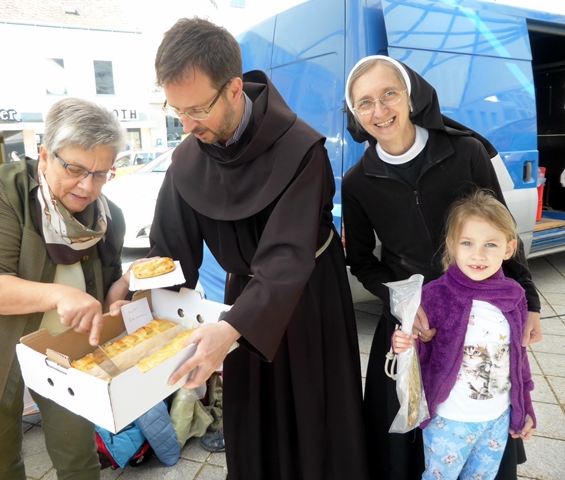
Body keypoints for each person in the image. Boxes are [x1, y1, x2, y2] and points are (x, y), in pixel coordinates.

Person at [148, 17, 369, 480]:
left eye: (196, 110)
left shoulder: (301, 148)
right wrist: (136, 306)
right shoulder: (187, 159)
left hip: (308, 300)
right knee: (253, 427)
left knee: (314, 421)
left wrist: (230, 329)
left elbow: (288, 255)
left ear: (233, 89)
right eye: (176, 112)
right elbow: (168, 255)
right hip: (241, 306)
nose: (187, 126)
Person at [341, 55, 542, 480]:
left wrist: (531, 302)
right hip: (413, 320)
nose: (379, 111)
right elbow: (361, 260)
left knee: (482, 421)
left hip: (480, 312)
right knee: (404, 444)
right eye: (365, 103)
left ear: (410, 96)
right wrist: (404, 302)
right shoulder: (358, 181)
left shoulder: (463, 152)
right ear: (355, 114)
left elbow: (504, 233)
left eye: (388, 94)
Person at [0, 97, 137, 480]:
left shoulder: (111, 216)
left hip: (66, 355)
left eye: (100, 173)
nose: (87, 185)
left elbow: (106, 298)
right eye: (76, 168)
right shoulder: (3, 189)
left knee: (79, 461)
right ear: (45, 155)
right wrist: (59, 295)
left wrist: (125, 284)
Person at [391, 190, 536, 480]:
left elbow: (518, 361)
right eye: (467, 243)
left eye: (490, 244)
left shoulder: (515, 296)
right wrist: (404, 344)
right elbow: (419, 356)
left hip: (497, 419)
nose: (478, 254)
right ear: (451, 245)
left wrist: (525, 408)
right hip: (450, 420)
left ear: (508, 249)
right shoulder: (435, 296)